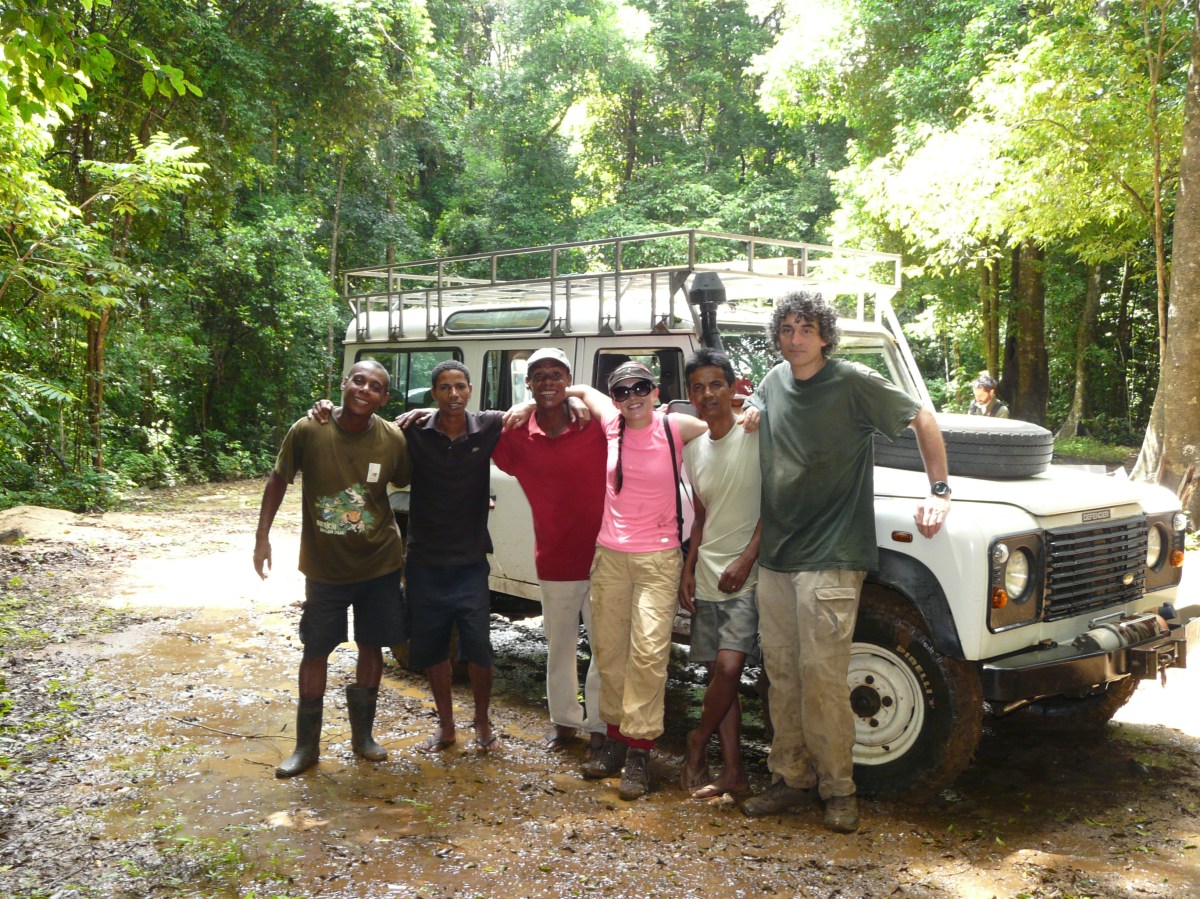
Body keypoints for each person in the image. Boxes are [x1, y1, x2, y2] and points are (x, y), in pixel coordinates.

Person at [740, 291, 950, 833]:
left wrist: (939, 490)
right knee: (781, 674)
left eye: (806, 329)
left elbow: (922, 418)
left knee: (823, 678)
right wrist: (749, 412)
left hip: (831, 553)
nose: (795, 339)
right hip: (778, 556)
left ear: (825, 336)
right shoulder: (773, 382)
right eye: (787, 329)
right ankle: (791, 778)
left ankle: (838, 789)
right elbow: (754, 413)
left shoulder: (853, 381)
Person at [254, 360, 411, 778]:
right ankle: (306, 746)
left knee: (371, 645)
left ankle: (363, 737)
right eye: (358, 380)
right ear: (344, 384)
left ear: (384, 398)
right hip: (324, 568)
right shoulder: (309, 429)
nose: (364, 389)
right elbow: (278, 479)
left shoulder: (392, 438)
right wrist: (262, 537)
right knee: (316, 649)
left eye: (375, 386)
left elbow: (407, 480)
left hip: (379, 563)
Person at [567, 363, 708, 800]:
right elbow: (579, 389)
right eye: (623, 391)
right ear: (615, 399)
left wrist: (753, 413)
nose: (632, 396)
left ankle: (639, 753)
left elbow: (725, 424)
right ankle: (614, 740)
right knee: (610, 652)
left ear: (655, 391)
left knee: (648, 655)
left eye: (640, 388)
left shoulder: (675, 426)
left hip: (658, 559)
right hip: (610, 557)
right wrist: (528, 405)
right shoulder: (612, 423)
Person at [491, 348, 607, 754]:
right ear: (527, 384)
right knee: (559, 646)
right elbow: (469, 429)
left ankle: (600, 723)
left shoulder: (595, 423)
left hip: (605, 556)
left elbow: (635, 412)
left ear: (569, 380)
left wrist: (575, 396)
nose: (547, 382)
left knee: (604, 646)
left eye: (556, 375)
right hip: (555, 556)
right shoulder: (516, 434)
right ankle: (564, 722)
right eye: (538, 376)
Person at [403, 360, 505, 753]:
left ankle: (482, 721)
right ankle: (446, 726)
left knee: (479, 647)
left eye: (460, 386)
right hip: (425, 561)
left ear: (470, 390)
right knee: (433, 648)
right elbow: (369, 429)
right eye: (445, 388)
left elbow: (530, 410)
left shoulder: (487, 426)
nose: (453, 394)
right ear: (434, 393)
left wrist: (577, 399)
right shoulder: (414, 430)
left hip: (470, 562)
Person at [678, 348, 762, 800]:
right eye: (698, 387)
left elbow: (775, 505)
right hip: (709, 574)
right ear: (690, 396)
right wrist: (688, 569)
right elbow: (701, 516)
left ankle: (697, 739)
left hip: (747, 575)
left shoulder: (756, 433)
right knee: (718, 677)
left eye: (716, 384)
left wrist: (747, 558)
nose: (707, 394)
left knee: (730, 667)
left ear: (733, 388)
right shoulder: (693, 451)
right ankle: (734, 772)